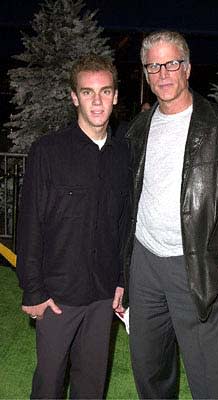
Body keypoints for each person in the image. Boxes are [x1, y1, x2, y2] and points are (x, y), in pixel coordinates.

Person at [122, 30, 218, 399]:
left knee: (212, 381)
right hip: (145, 264)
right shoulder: (137, 129)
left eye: (171, 63)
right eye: (154, 66)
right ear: (146, 74)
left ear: (188, 68)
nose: (163, 73)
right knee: (150, 372)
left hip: (197, 265)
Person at [16, 53, 130, 399]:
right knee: (49, 384)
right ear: (74, 97)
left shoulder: (125, 153)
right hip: (57, 295)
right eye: (88, 91)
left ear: (115, 96)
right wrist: (33, 290)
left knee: (91, 385)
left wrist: (123, 281)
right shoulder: (47, 151)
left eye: (104, 91)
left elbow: (125, 223)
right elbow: (30, 222)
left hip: (102, 295)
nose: (97, 100)